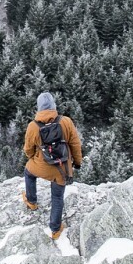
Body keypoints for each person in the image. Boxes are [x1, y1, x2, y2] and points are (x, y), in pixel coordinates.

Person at [22, 91, 82, 240]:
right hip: (61, 168)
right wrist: (77, 162)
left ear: (39, 107)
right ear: (54, 106)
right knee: (57, 197)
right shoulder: (65, 122)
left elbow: (28, 149)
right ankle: (55, 229)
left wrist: (33, 158)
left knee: (29, 173)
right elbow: (75, 144)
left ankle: (31, 202)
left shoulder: (33, 126)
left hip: (41, 165)